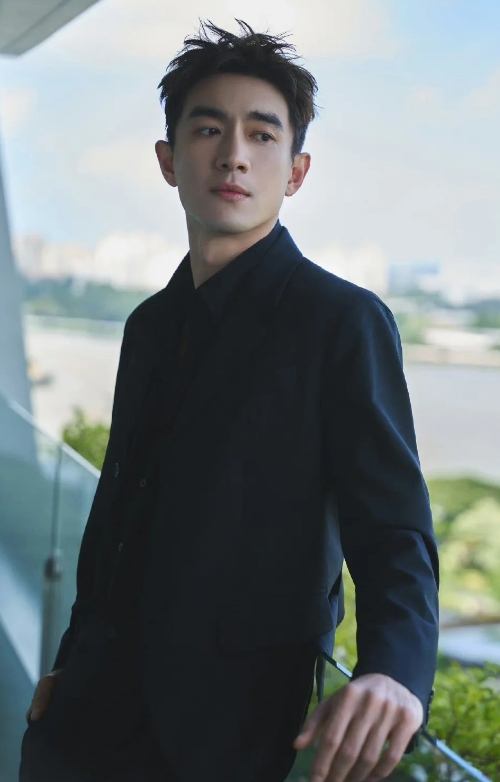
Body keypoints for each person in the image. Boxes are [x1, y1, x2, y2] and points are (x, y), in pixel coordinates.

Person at [19, 18, 439, 782]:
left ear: (297, 171)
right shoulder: (149, 324)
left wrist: (395, 671)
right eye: (209, 129)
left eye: (262, 134)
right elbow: (117, 518)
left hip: (228, 738)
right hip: (83, 719)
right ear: (169, 160)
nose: (234, 154)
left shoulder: (341, 321)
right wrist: (70, 662)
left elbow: (394, 531)